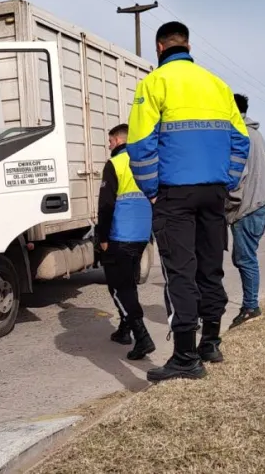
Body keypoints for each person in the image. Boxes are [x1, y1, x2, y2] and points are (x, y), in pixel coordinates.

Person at [127, 21, 250, 382]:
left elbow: (140, 145)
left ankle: (184, 357)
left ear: (160, 48)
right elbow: (240, 143)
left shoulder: (153, 83)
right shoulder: (218, 85)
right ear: (188, 45)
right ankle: (210, 342)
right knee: (211, 267)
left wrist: (151, 188)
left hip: (174, 194)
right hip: (213, 191)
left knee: (181, 272)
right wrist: (226, 181)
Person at [95, 124, 155, 361]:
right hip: (141, 234)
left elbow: (106, 205)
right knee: (129, 283)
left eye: (110, 141)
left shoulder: (115, 164)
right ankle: (124, 330)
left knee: (118, 287)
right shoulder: (144, 162)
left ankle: (142, 337)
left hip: (120, 234)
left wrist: (103, 237)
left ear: (119, 140)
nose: (108, 146)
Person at [225, 94, 265, 328]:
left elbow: (237, 178)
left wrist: (227, 205)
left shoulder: (238, 134)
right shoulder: (256, 134)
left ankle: (251, 307)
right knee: (244, 258)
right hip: (258, 205)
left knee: (245, 259)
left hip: (247, 208)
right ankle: (250, 304)